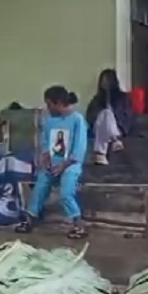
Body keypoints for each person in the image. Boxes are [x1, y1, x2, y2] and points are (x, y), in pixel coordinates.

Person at [15, 86, 89, 239]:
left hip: (71, 164)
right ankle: (30, 218)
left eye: (49, 104)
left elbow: (79, 147)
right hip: (52, 164)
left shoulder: (77, 119)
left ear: (59, 103)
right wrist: (46, 157)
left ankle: (78, 224)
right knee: (40, 187)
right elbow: (45, 142)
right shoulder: (49, 120)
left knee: (66, 193)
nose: (47, 108)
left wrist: (64, 165)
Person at [85, 68, 133, 165]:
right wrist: (102, 113)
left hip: (117, 127)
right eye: (103, 80)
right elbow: (90, 116)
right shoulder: (96, 99)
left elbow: (127, 115)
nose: (105, 83)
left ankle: (100, 153)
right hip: (99, 128)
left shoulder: (123, 98)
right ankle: (114, 140)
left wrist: (114, 115)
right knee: (105, 113)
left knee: (108, 114)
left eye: (107, 80)